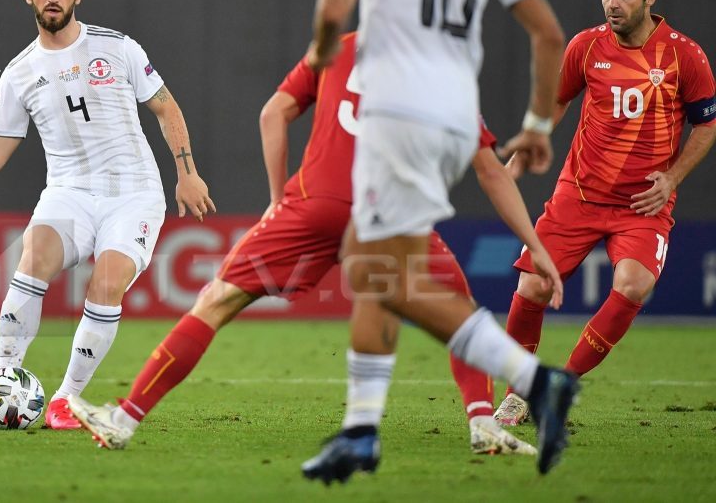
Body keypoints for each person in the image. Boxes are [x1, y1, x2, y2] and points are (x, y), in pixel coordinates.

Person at [67, 33, 558, 458]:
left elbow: (273, 113)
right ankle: (482, 422)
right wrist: (533, 245)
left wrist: (280, 199)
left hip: (315, 203)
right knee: (459, 312)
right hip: (391, 214)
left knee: (216, 302)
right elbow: (491, 169)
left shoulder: (336, 47)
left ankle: (125, 419)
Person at [298, 0, 577, 482]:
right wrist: (539, 126)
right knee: (379, 264)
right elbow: (548, 33)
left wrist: (323, 48)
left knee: (377, 270)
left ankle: (537, 381)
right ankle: (361, 431)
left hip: (396, 109)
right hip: (458, 117)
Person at [0, 0, 216, 429]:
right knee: (32, 255)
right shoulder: (18, 73)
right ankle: (3, 383)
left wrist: (186, 172)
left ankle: (65, 400)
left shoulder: (118, 47)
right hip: (68, 190)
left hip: (133, 192)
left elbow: (167, 108)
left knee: (106, 282)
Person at [494, 0, 716, 425]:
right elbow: (558, 100)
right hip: (579, 194)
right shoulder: (585, 46)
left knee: (634, 284)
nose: (612, 4)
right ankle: (518, 392)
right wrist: (528, 145)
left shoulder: (684, 55)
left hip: (642, 205)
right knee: (531, 285)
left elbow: (707, 124)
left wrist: (673, 178)